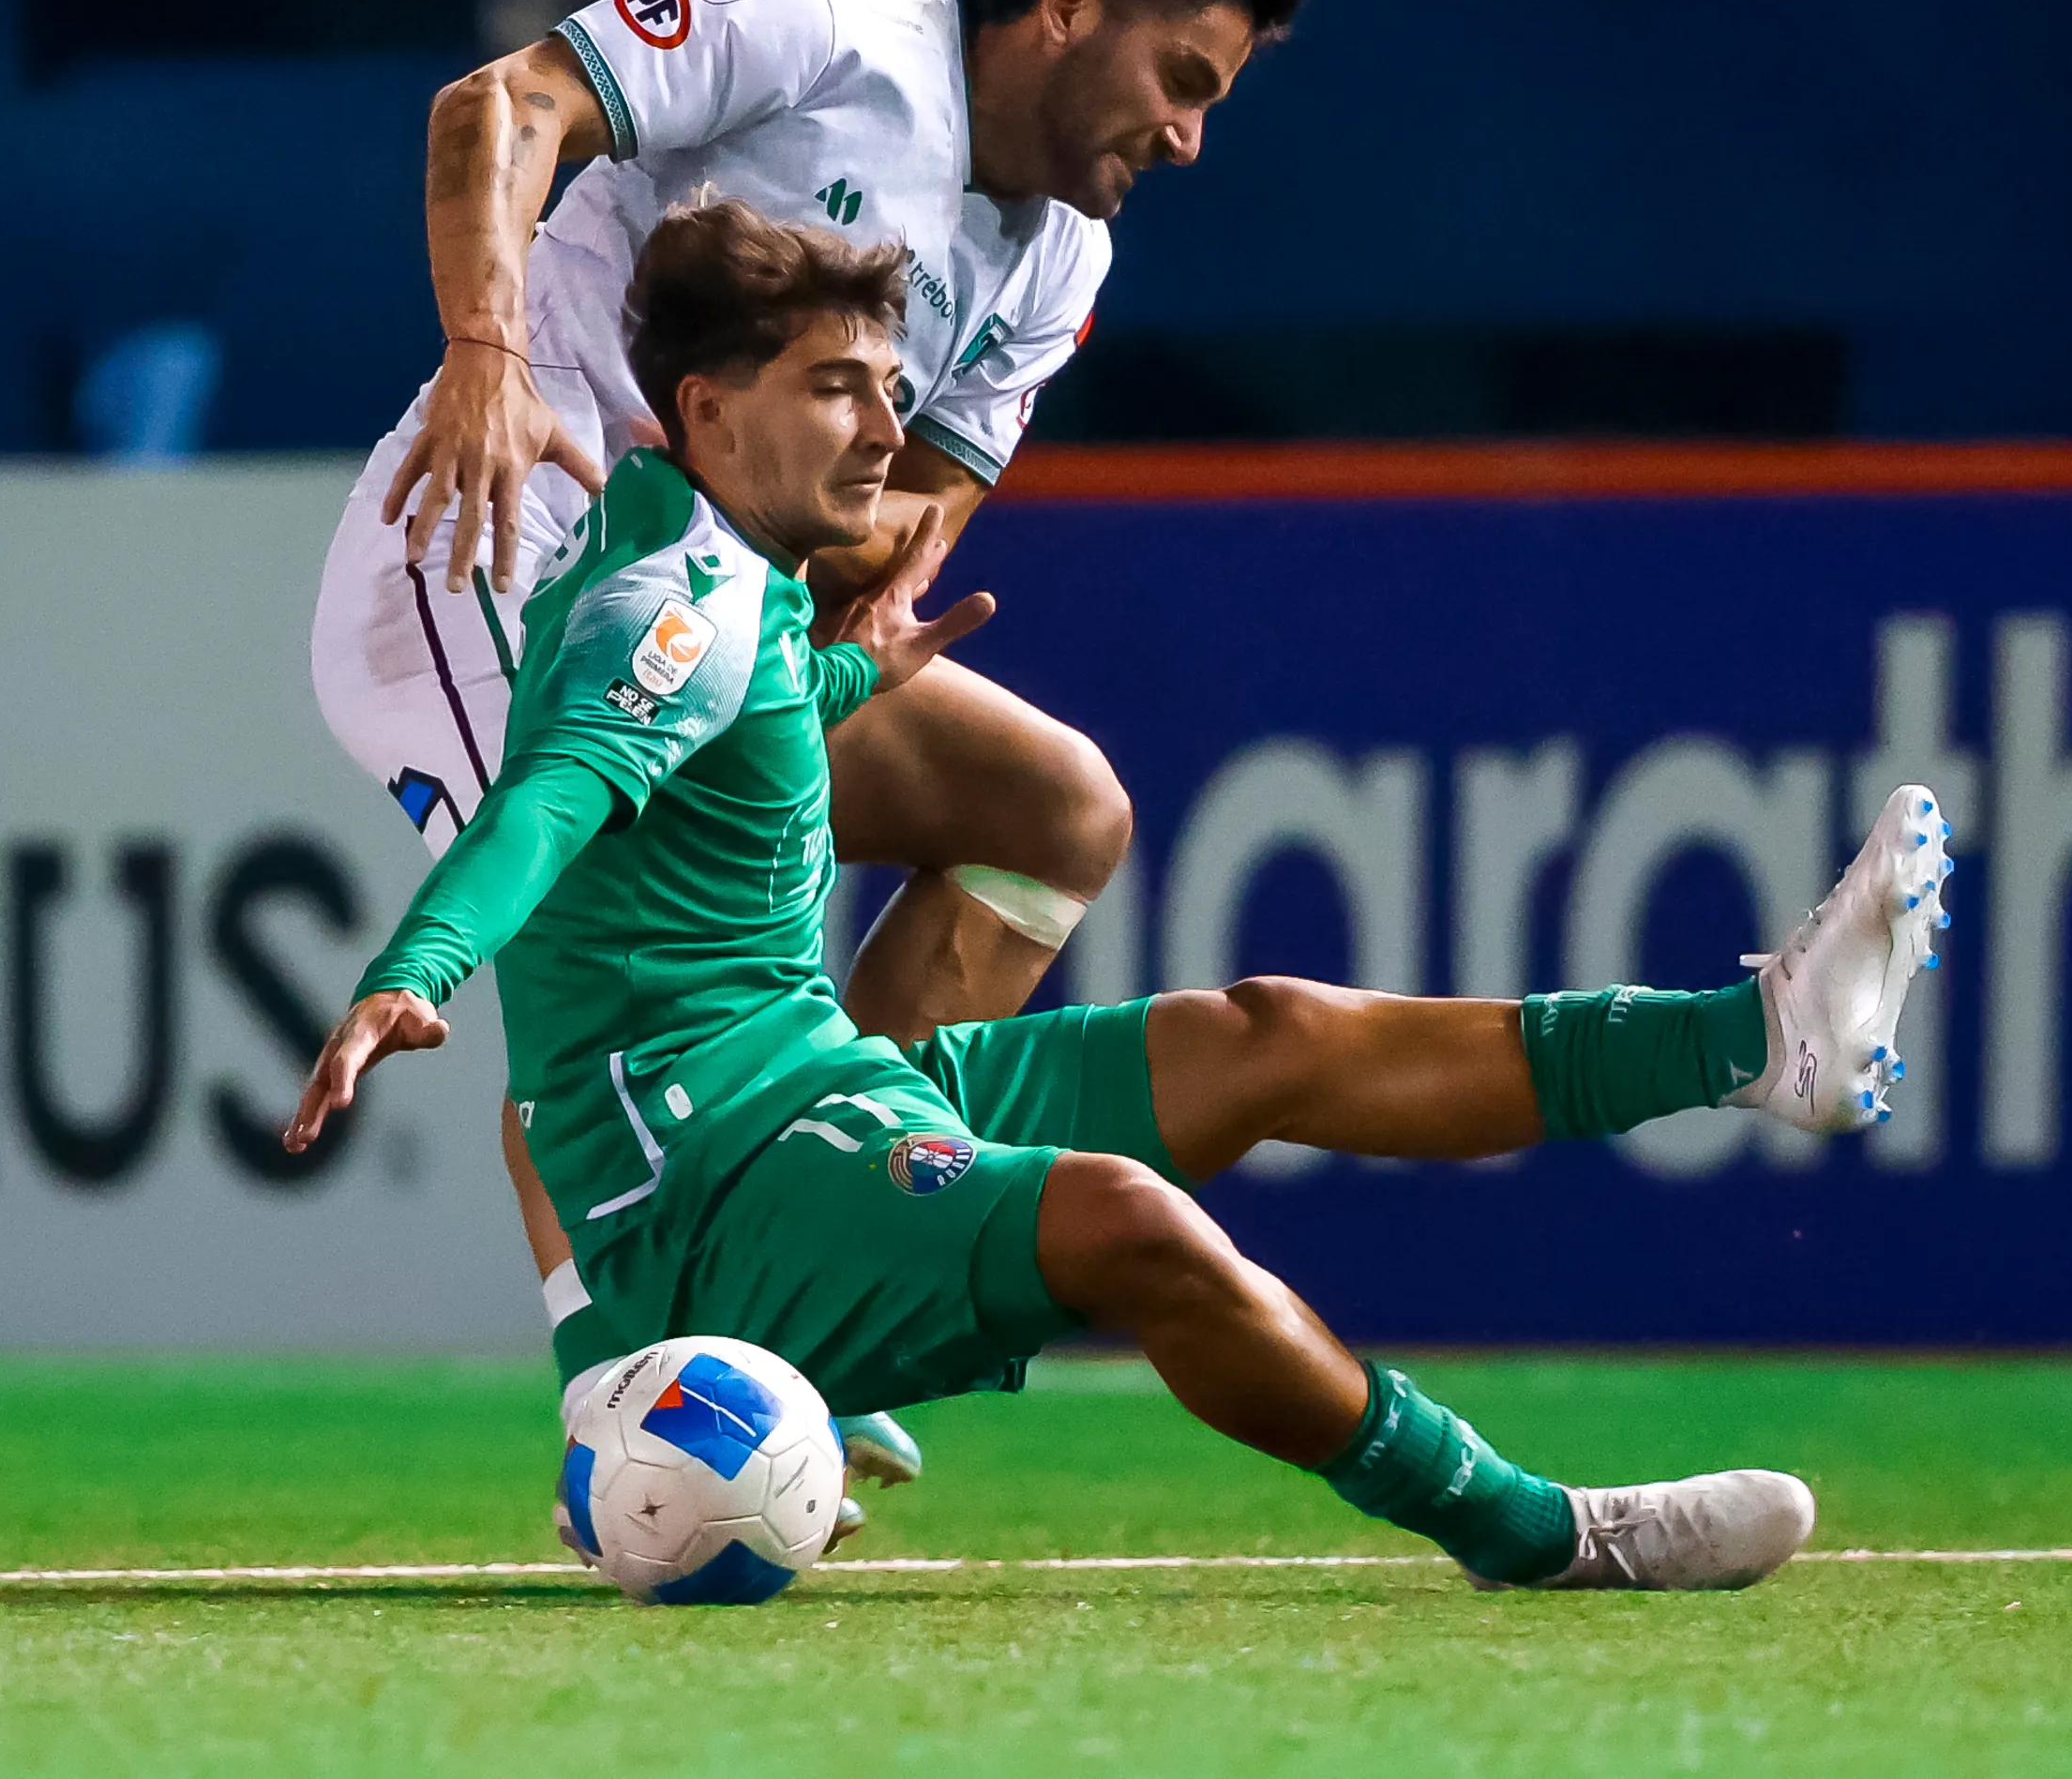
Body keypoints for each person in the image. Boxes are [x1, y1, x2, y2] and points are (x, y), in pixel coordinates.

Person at [284, 198, 1944, 1592]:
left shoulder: (730, 582)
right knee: (1127, 1220)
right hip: (728, 1198)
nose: (883, 427)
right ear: (707, 411)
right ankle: (1541, 1535)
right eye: (835, 388)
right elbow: (549, 801)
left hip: (790, 1085)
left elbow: (692, 791)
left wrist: (840, 686)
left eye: (885, 384)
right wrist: (416, 964)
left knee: (1264, 1038)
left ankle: (1756, 1038)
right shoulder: (678, 607)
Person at [306, 0, 1304, 1491]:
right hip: (497, 554)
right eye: (1183, 76)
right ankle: (623, 1399)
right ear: (1068, 3)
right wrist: (485, 347)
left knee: (1056, 811)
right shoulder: (807, 26)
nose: (1192, 138)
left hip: (725, 630)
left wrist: (877, 592)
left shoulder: (1061, 253)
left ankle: (827, 1263)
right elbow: (498, 107)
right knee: (605, 964)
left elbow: (889, 536)